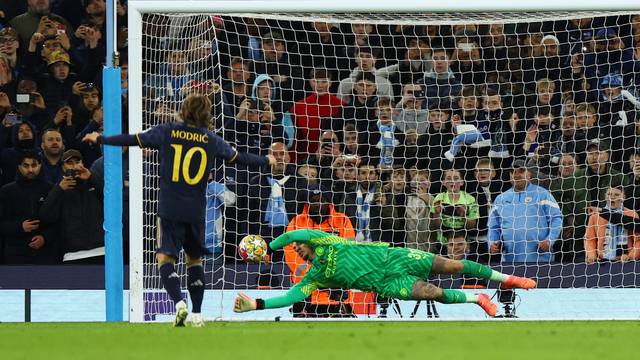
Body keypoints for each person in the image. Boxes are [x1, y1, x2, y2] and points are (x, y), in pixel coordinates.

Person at [82, 94, 276, 327]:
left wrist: (101, 138)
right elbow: (239, 158)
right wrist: (266, 160)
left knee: (165, 258)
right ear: (207, 115)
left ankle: (178, 303)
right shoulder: (211, 139)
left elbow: (132, 139)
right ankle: (197, 313)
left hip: (170, 208)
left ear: (183, 110)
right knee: (194, 261)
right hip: (196, 210)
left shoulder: (168, 131)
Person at [233, 229, 537, 316]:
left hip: (395, 257)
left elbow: (290, 235)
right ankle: (478, 299)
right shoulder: (316, 277)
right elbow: (290, 297)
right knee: (435, 294)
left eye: (297, 245)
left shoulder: (321, 238)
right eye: (293, 250)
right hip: (388, 283)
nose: (296, 248)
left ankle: (507, 279)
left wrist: (269, 247)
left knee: (453, 265)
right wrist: (256, 305)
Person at [488, 160, 564, 263]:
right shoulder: (500, 199)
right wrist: (492, 243)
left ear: (529, 174)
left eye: (521, 171)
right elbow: (493, 227)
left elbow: (556, 219)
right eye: (513, 172)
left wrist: (550, 240)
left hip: (541, 260)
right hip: (510, 261)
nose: (516, 175)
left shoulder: (543, 194)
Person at [0, 150, 57, 264]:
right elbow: (2, 224)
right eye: (26, 166)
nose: (30, 170)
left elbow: (59, 222)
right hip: (16, 254)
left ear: (40, 165)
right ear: (19, 167)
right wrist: (20, 227)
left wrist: (45, 237)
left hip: (45, 253)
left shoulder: (51, 189)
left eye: (34, 165)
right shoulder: (7, 191)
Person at [585, 185, 639, 264]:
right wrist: (591, 256)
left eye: (616, 195)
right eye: (609, 194)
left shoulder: (632, 214)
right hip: (603, 261)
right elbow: (590, 239)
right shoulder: (595, 216)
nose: (612, 197)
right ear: (605, 196)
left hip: (627, 262)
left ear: (623, 197)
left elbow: (638, 241)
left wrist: (630, 256)